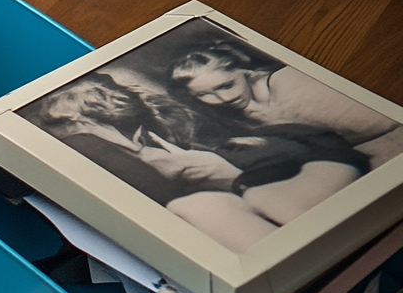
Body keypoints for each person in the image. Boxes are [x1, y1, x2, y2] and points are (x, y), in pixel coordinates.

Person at [34, 74, 368, 252]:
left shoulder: (176, 125)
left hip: (301, 162)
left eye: (75, 123)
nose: (73, 132)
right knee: (211, 203)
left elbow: (300, 141)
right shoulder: (114, 149)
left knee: (238, 199)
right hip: (254, 183)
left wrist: (228, 173)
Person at [171, 42, 403, 168]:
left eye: (226, 85)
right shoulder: (242, 114)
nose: (223, 100)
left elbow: (384, 124)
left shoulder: (289, 83)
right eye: (203, 95)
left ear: (243, 70)